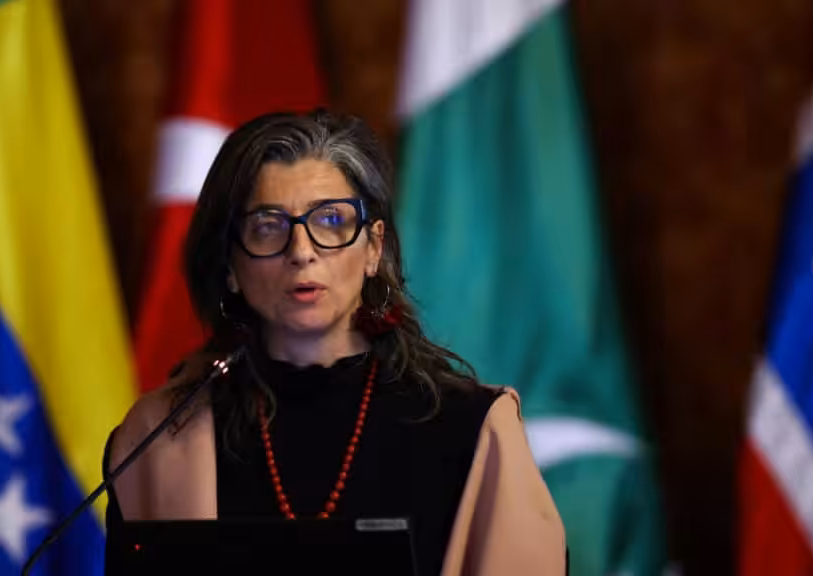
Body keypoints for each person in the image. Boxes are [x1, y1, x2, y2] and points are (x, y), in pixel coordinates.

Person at [104, 109, 566, 575]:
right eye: (268, 226)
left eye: (330, 220)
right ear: (230, 267)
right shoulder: (160, 438)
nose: (302, 252)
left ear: (373, 249)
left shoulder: (472, 428)